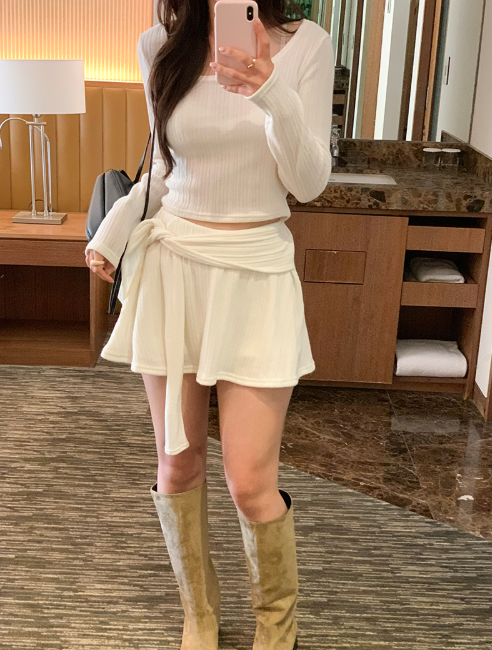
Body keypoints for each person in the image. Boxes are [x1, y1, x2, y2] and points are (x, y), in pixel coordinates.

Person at [85, 1, 334, 648]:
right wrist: (114, 231)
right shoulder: (159, 46)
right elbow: (166, 172)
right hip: (174, 269)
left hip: (256, 273)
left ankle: (276, 624)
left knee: (250, 481)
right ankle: (198, 612)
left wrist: (271, 90)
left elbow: (308, 183)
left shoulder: (306, 44)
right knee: (177, 465)